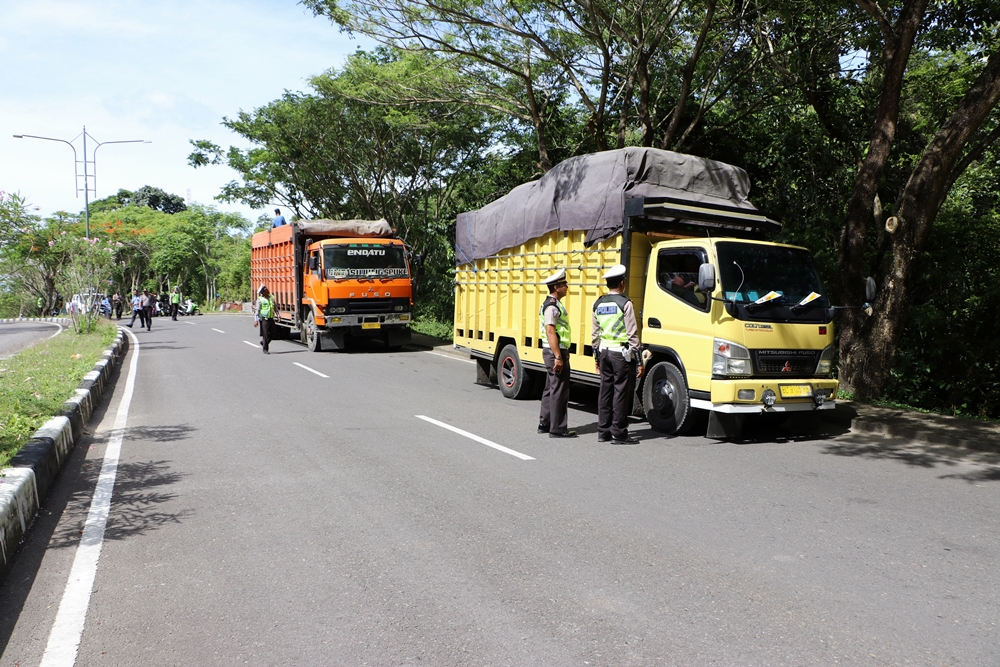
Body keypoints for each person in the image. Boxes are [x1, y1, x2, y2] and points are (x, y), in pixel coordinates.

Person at [592, 264, 645, 445]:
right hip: (620, 354)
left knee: (605, 392)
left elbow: (595, 334)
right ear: (622, 283)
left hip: (604, 352)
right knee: (620, 393)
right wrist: (639, 360)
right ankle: (618, 433)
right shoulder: (625, 303)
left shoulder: (597, 303)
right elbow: (632, 333)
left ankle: (603, 431)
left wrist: (597, 358)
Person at [538, 268, 576, 438]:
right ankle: (558, 428)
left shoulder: (553, 304)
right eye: (563, 284)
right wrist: (558, 356)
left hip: (552, 350)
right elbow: (550, 331)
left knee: (550, 388)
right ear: (556, 287)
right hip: (555, 351)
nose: (566, 287)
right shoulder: (552, 306)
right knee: (559, 390)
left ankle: (545, 423)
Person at [254, 284, 276, 354]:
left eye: (267, 289)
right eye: (266, 290)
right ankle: (265, 349)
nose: (267, 290)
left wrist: (278, 315)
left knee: (273, 333)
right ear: (263, 292)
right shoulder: (260, 299)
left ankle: (263, 342)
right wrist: (256, 320)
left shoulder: (272, 297)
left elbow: (275, 307)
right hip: (264, 319)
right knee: (265, 334)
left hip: (271, 318)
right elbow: (257, 310)